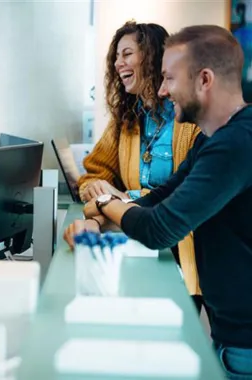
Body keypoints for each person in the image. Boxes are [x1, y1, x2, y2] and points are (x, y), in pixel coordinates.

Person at [64, 25, 252, 378]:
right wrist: (98, 218)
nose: (163, 90)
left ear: (204, 80)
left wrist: (104, 205)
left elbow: (159, 227)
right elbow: (158, 199)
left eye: (169, 79)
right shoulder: (214, 141)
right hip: (228, 329)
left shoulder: (235, 145)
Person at [77, 21, 203, 311]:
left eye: (127, 54)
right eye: (116, 57)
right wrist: (95, 189)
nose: (118, 63)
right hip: (139, 239)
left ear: (152, 56)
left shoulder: (188, 117)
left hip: (181, 247)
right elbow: (93, 173)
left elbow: (189, 191)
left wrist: (116, 201)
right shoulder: (126, 119)